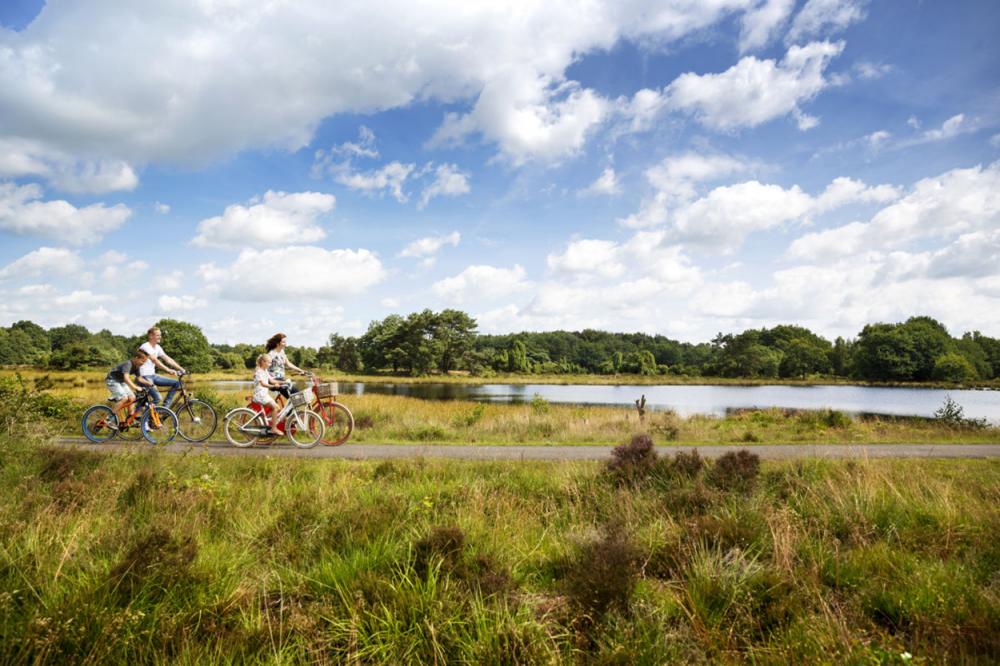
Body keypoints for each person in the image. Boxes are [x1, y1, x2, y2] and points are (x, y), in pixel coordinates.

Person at [139, 326, 186, 407]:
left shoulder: (157, 347)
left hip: (153, 375)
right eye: (158, 335)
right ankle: (146, 415)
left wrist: (181, 369)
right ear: (150, 336)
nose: (160, 337)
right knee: (157, 398)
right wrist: (168, 370)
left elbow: (168, 359)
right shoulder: (145, 347)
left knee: (177, 383)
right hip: (144, 376)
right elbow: (155, 360)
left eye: (160, 335)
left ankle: (166, 407)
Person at [106, 348, 153, 420]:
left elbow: (139, 378)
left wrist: (149, 383)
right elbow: (126, 378)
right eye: (142, 361)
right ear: (136, 358)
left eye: (145, 362)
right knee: (124, 398)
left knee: (132, 397)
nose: (143, 363)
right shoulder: (128, 364)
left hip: (121, 381)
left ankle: (130, 417)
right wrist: (135, 387)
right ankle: (109, 418)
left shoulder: (137, 367)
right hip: (112, 380)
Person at [265, 332, 308, 399]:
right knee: (295, 396)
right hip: (274, 381)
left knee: (296, 396)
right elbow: (264, 368)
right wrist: (270, 380)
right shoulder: (271, 354)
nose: (285, 344)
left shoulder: (282, 352)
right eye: (283, 342)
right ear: (278, 343)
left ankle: (290, 406)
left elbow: (288, 364)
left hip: (281, 380)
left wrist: (300, 370)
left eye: (285, 342)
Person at [253, 353, 284, 435]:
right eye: (269, 362)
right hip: (259, 396)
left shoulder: (265, 371)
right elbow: (263, 384)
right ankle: (273, 428)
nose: (270, 364)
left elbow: (272, 380)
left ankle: (265, 421)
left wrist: (284, 382)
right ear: (263, 362)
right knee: (275, 408)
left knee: (278, 408)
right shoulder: (258, 372)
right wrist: (273, 386)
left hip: (264, 395)